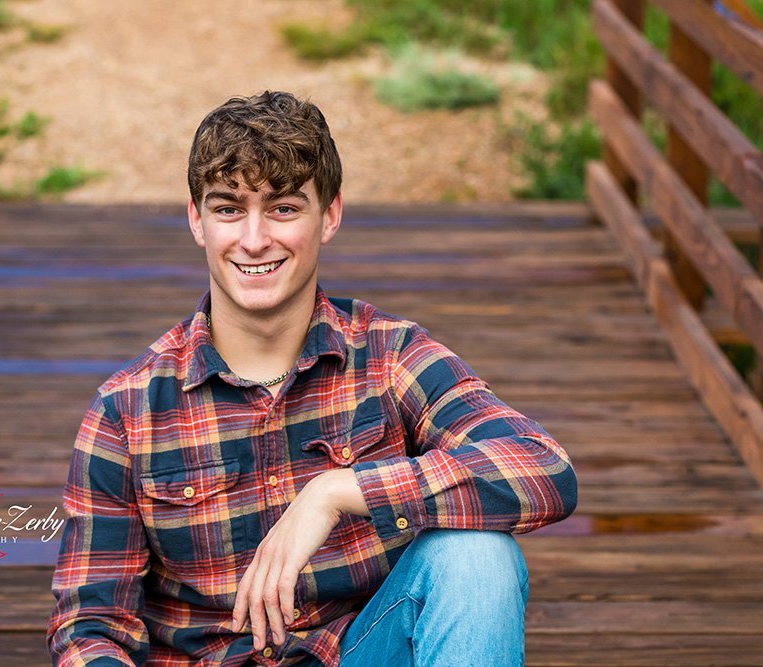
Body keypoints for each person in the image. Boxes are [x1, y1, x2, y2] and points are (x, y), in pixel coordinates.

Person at [47, 90, 577, 667]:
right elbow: (91, 626)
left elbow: (543, 466)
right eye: (228, 209)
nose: (253, 239)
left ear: (330, 215)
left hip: (358, 653)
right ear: (197, 220)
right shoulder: (127, 410)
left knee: (477, 558)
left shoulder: (389, 355)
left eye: (282, 208)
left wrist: (336, 493)